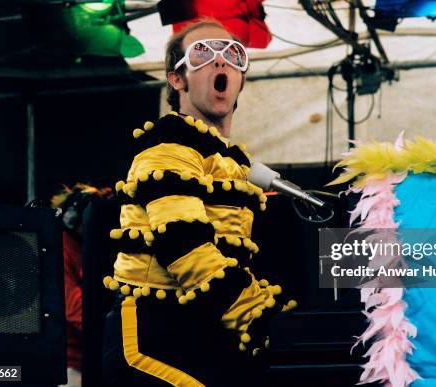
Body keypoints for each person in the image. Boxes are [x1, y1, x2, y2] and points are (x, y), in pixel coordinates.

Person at [101, 20, 296, 386]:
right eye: (204, 53)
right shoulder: (166, 150)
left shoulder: (232, 163)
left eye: (233, 56)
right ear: (177, 79)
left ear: (240, 80)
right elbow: (186, 249)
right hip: (152, 340)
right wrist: (262, 318)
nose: (221, 63)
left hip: (206, 335)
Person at [51, 183, 113, 387]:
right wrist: (110, 331)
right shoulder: (61, 248)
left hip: (93, 355)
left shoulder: (90, 248)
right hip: (71, 362)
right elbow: (74, 308)